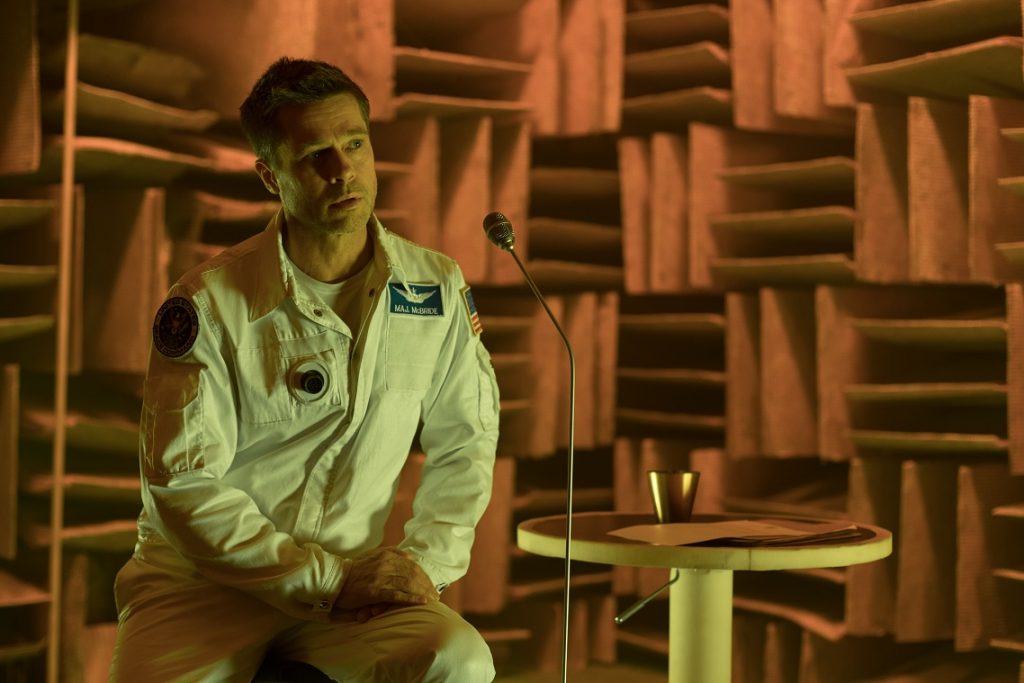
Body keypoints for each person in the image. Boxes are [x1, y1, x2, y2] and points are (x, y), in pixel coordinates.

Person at [109, 57, 501, 682]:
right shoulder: (207, 303)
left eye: (355, 144)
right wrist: (325, 581)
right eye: (315, 154)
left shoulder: (433, 286)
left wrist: (421, 566)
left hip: (355, 587)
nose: (342, 170)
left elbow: (467, 441)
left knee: (459, 659)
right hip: (203, 588)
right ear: (271, 175)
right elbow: (184, 486)